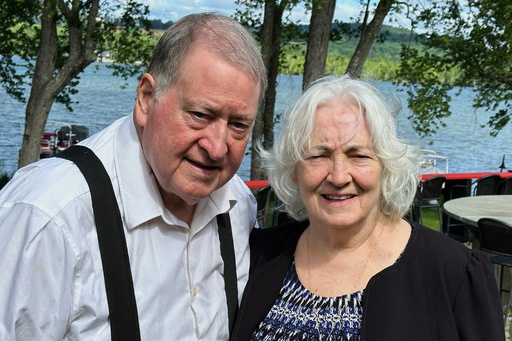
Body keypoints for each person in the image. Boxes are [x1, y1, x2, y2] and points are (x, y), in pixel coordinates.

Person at [0, 13, 266, 340]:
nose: (217, 147)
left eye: (238, 124)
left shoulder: (238, 206)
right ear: (146, 99)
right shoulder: (49, 217)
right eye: (200, 115)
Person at [231, 75, 504, 340]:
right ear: (294, 171)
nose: (338, 177)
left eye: (358, 155)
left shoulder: (453, 272)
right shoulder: (258, 255)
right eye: (318, 155)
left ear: (385, 167)